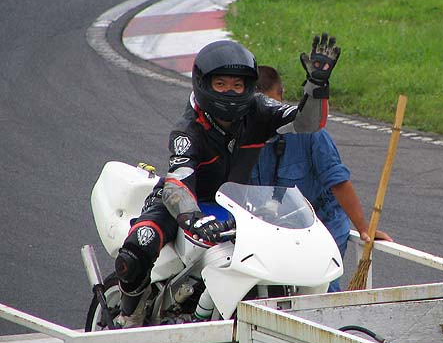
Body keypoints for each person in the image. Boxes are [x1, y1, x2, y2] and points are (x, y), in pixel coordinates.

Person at [114, 34, 341, 327]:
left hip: (236, 205)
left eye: (237, 85)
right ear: (203, 84)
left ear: (248, 86)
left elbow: (306, 122)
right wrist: (192, 217)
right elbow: (177, 182)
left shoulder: (258, 109)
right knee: (139, 247)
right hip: (183, 204)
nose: (230, 92)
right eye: (221, 84)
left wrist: (317, 87)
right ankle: (129, 319)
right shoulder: (188, 129)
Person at [251, 65, 393, 292]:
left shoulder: (310, 132)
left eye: (272, 106)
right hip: (275, 228)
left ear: (282, 96)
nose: (267, 115)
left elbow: (338, 181)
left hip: (323, 226)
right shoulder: (243, 134)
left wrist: (364, 228)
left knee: (321, 287)